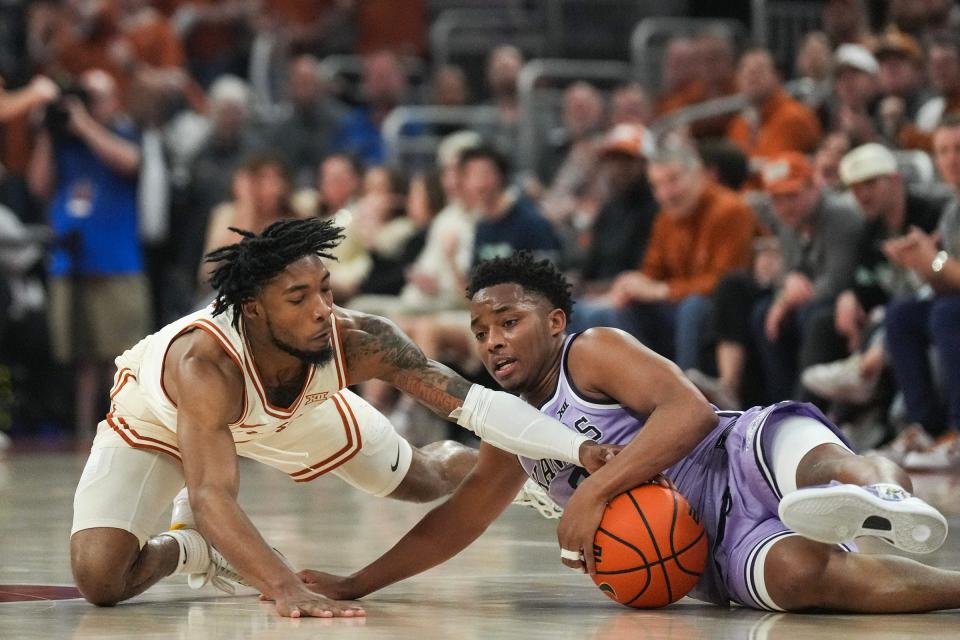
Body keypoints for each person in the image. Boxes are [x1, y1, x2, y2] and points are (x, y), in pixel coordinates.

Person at [290, 251, 960, 614]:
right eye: (481, 333)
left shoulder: (592, 351)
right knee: (798, 580)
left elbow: (690, 412)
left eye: (508, 321)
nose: (493, 342)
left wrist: (592, 493)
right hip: (710, 541)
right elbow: (456, 523)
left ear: (554, 321)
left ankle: (892, 500)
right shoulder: (511, 427)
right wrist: (358, 583)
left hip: (734, 454)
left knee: (823, 469)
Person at [69, 219, 616, 618]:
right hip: (157, 424)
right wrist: (285, 585)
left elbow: (472, 403)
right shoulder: (204, 364)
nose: (321, 308)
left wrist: (575, 449)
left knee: (422, 480)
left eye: (325, 290)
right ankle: (192, 549)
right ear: (254, 310)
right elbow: (211, 495)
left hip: (297, 413)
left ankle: (521, 485)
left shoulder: (358, 339)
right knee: (100, 578)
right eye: (298, 297)